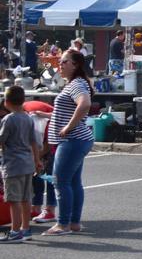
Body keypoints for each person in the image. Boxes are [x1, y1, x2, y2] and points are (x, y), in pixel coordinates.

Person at [44, 49, 94, 236]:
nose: (60, 64)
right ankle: (73, 223)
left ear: (76, 65)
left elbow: (85, 104)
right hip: (77, 139)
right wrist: (48, 115)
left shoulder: (77, 84)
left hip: (73, 139)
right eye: (61, 61)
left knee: (61, 181)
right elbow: (68, 110)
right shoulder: (74, 84)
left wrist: (67, 128)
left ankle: (63, 224)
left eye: (65, 62)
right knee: (73, 182)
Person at [0, 85, 42, 242]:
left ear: (7, 102)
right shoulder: (27, 118)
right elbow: (34, 141)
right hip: (27, 163)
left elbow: (1, 139)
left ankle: (15, 231)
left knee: (13, 200)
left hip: (12, 164)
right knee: (26, 199)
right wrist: (37, 160)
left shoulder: (8, 119)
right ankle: (25, 229)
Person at [24, 99, 56, 225]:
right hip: (40, 142)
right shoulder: (18, 117)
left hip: (55, 142)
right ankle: (35, 207)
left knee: (50, 177)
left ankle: (50, 209)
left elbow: (49, 143)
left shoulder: (38, 119)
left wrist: (36, 158)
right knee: (36, 176)